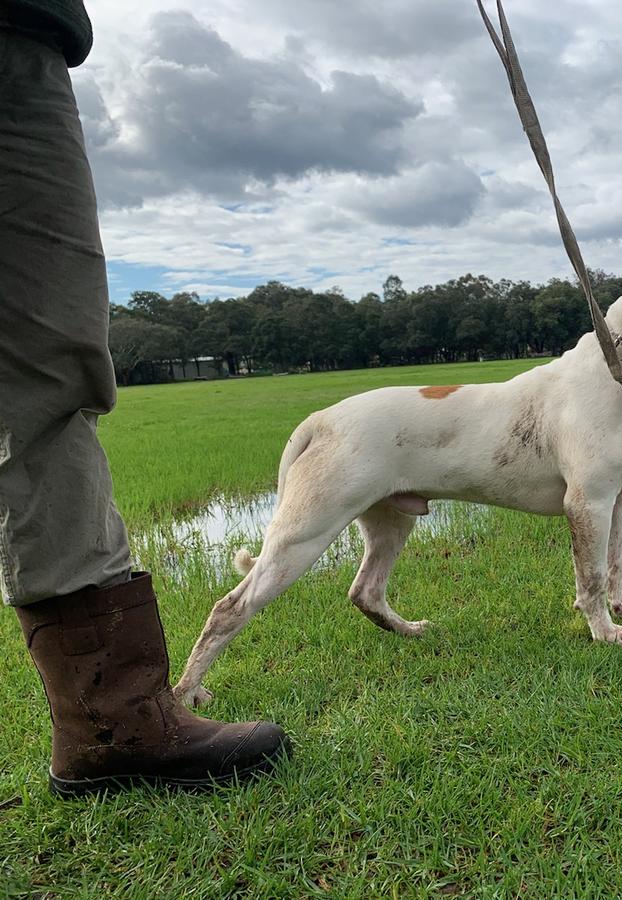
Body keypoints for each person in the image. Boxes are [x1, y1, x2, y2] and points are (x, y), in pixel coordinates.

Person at [0, 0, 290, 796]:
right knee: (48, 371)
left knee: (49, 369)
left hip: (23, 41)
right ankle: (115, 719)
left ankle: (112, 719)